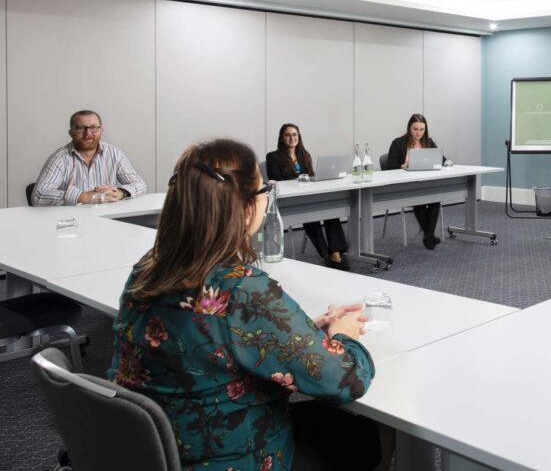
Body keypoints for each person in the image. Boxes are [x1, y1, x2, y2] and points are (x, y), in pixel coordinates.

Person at [108, 139, 384, 471]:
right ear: (244, 206)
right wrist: (343, 334)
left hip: (151, 450)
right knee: (368, 433)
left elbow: (212, 338)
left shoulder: (147, 267)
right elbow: (345, 380)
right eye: (263, 188)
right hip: (232, 456)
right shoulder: (241, 286)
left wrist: (303, 328)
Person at [266, 123, 350, 271]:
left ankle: (335, 252)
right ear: (281, 138)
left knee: (330, 211)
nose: (292, 138)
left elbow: (311, 175)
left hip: (307, 193)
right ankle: (326, 255)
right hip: (289, 199)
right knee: (311, 216)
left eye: (295, 134)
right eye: (288, 135)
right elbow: (276, 179)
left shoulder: (304, 155)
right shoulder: (273, 157)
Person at [31, 109, 147, 205]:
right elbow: (38, 195)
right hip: (72, 222)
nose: (88, 133)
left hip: (108, 220)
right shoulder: (59, 159)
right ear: (71, 133)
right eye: (81, 128)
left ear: (101, 130)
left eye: (93, 128)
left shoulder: (114, 153)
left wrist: (122, 192)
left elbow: (140, 185)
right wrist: (81, 197)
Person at [387, 113, 443, 250]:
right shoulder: (398, 143)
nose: (418, 133)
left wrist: (445, 162)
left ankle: (428, 236)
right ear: (409, 128)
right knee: (419, 201)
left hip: (425, 183)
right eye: (415, 129)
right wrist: (404, 166)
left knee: (435, 200)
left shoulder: (428, 142)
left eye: (422, 129)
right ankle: (429, 238)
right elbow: (389, 167)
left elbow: (442, 159)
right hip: (405, 185)